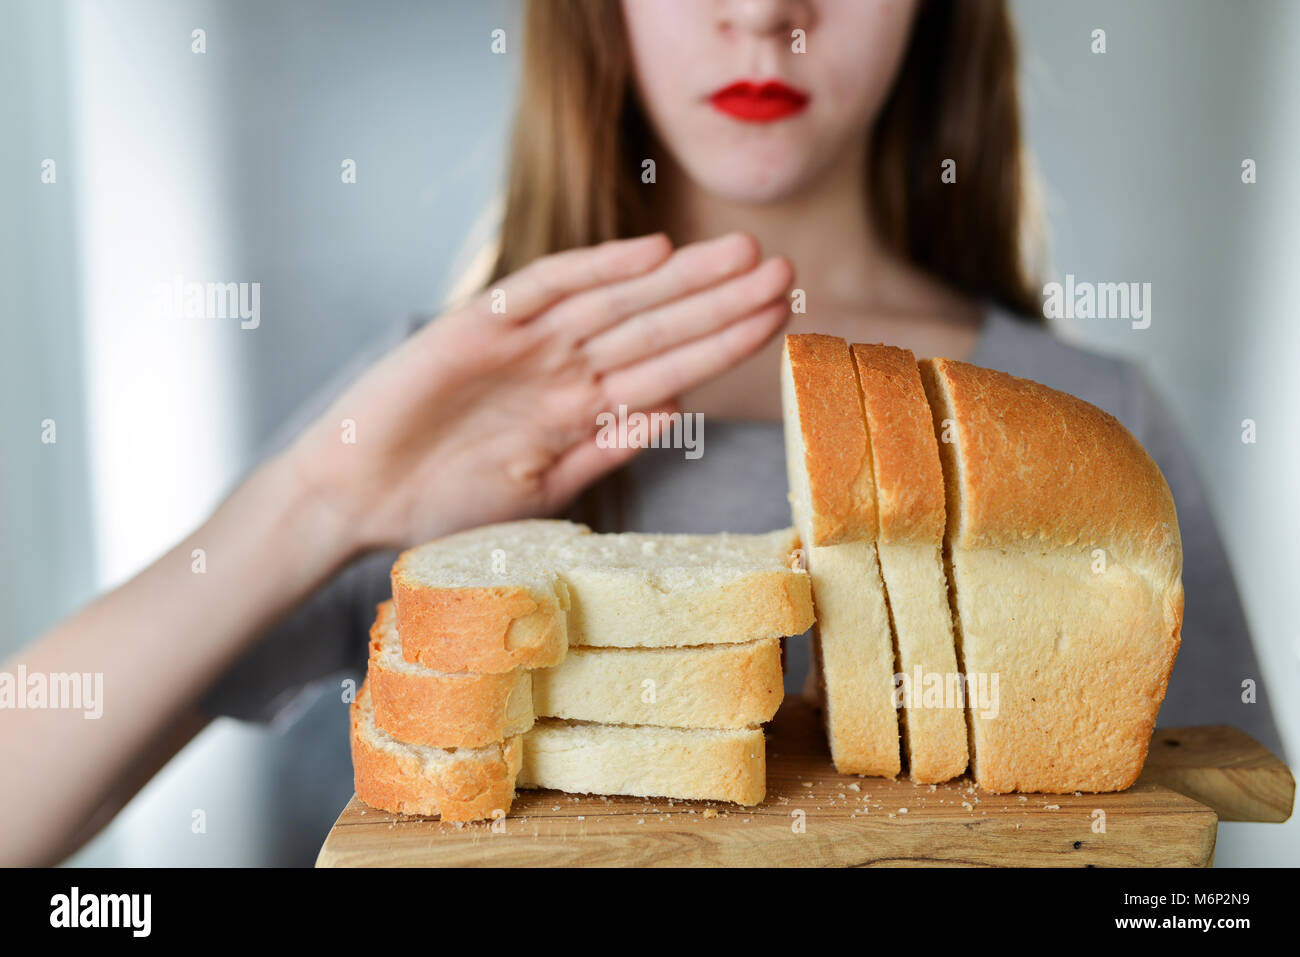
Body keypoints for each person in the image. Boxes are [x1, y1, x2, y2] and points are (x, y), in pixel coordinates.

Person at [0, 0, 1277, 866]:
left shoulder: (1100, 419)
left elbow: (1199, 850)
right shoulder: (433, 398)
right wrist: (318, 504)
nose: (763, 14)